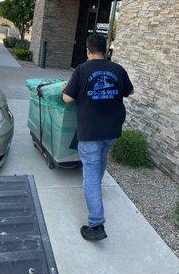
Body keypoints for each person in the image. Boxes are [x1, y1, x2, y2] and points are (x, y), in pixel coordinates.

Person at [63, 34, 134, 241]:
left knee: (91, 175)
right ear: (106, 50)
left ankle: (96, 224)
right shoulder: (118, 69)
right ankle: (96, 193)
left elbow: (67, 99)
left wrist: (65, 90)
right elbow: (129, 91)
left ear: (88, 50)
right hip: (112, 130)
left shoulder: (82, 69)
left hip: (91, 130)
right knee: (101, 160)